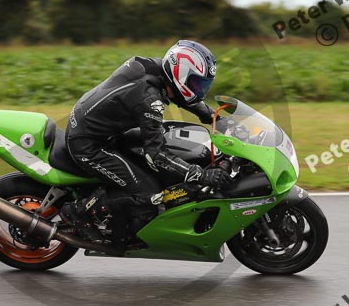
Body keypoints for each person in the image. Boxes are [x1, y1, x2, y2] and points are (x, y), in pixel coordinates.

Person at [60, 40, 232, 243]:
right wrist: (200, 174)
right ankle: (77, 212)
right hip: (89, 144)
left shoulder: (158, 70)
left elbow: (182, 96)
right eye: (196, 83)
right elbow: (156, 155)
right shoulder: (149, 100)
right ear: (181, 75)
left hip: (103, 128)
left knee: (165, 141)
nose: (200, 89)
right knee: (150, 193)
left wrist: (217, 119)